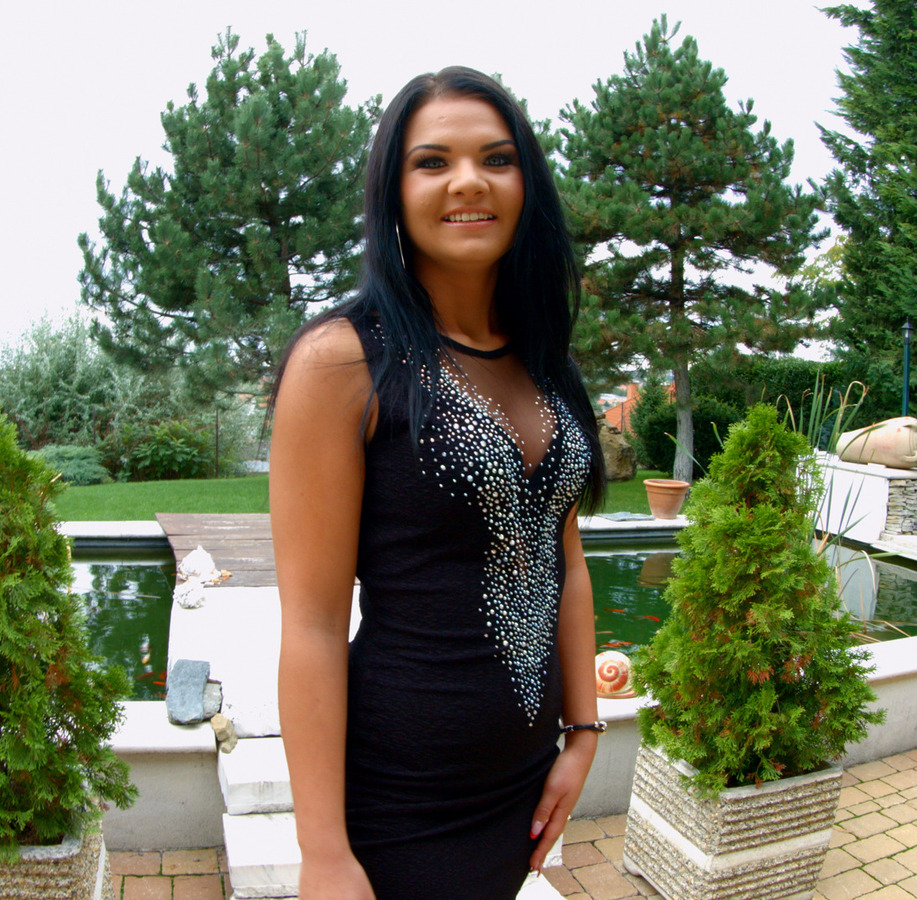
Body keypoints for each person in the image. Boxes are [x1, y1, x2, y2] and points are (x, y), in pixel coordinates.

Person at [269, 66, 607, 900]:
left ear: (526, 184)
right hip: (400, 802)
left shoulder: (547, 361)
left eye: (497, 158)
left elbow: (563, 560)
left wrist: (583, 733)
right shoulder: (343, 361)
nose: (468, 181)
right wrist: (323, 853)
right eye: (432, 162)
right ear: (394, 191)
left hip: (521, 786)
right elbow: (312, 624)